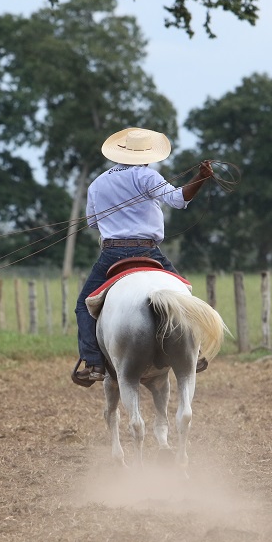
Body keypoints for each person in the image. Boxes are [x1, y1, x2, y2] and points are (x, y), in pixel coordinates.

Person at [71, 127, 214, 387]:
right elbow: (179, 200)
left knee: (83, 305)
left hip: (111, 253)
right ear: (146, 155)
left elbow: (92, 222)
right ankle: (197, 350)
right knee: (184, 294)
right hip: (148, 250)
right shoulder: (147, 176)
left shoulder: (98, 182)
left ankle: (92, 363)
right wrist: (201, 177)